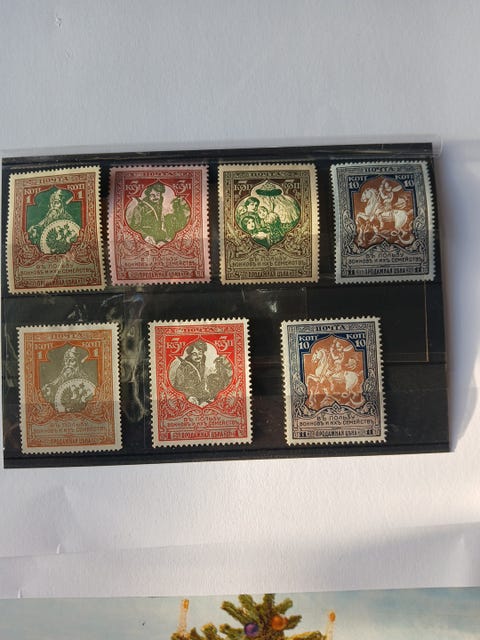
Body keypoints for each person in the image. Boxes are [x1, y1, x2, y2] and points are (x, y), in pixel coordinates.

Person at [171, 340, 210, 406]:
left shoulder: (202, 364)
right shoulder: (183, 367)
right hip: (188, 399)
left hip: (200, 397)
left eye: (200, 353)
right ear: (190, 355)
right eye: (194, 354)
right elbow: (177, 388)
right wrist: (188, 397)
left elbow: (201, 381)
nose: (198, 356)